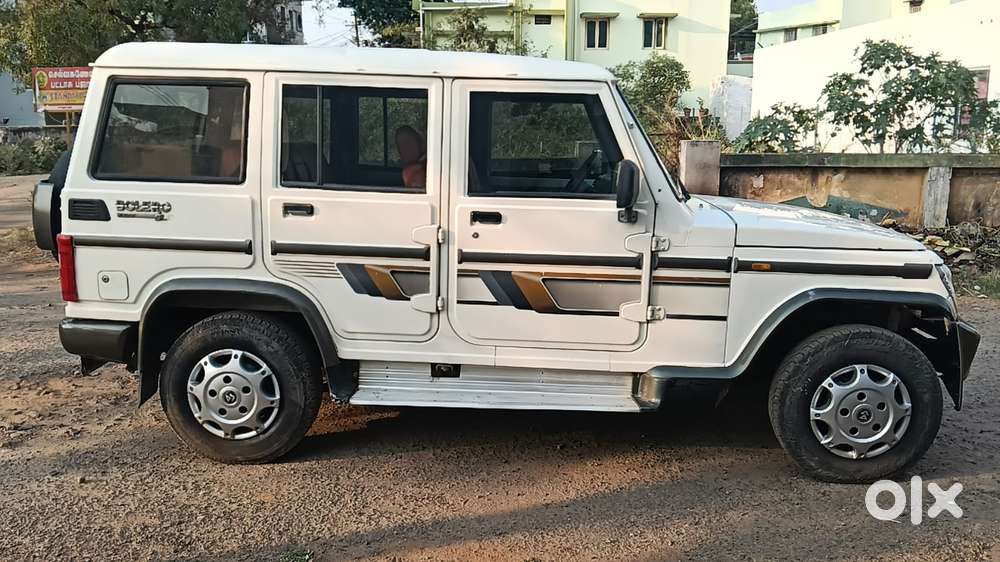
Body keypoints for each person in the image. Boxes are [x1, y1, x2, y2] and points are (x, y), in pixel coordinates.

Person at [395, 125, 426, 189]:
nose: (405, 149)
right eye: (401, 146)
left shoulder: (428, 167)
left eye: (409, 143)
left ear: (421, 144)